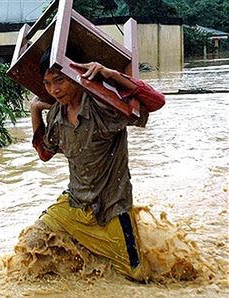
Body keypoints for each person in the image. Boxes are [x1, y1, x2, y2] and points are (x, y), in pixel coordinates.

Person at [29, 48, 165, 281]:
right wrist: (35, 111)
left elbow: (156, 101)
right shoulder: (57, 114)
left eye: (59, 80)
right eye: (48, 84)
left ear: (74, 74)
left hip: (111, 208)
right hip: (75, 202)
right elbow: (44, 153)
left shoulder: (104, 106)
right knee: (32, 244)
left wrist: (111, 74)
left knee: (137, 276)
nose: (54, 90)